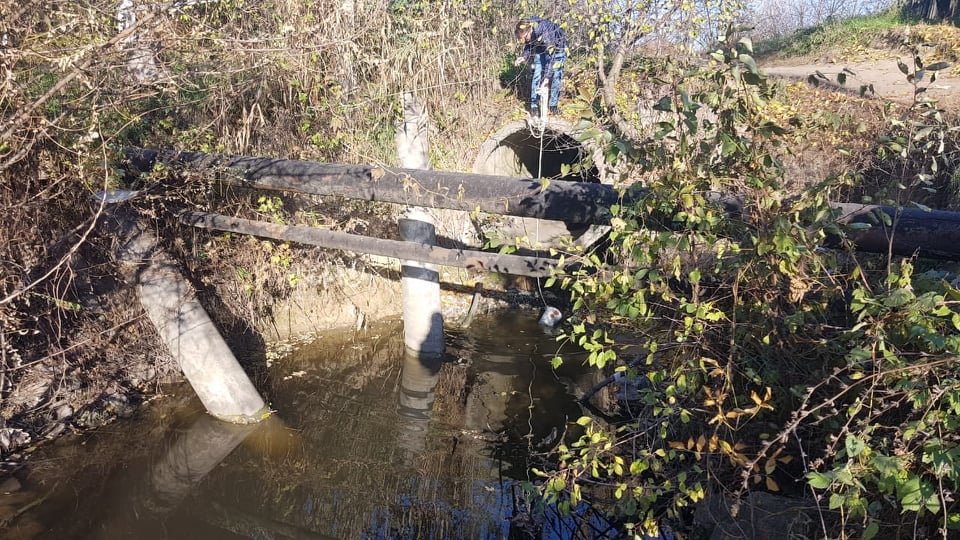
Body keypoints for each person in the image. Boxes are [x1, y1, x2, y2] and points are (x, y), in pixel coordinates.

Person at [513, 17, 567, 116]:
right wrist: (524, 57)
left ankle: (553, 105)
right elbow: (529, 44)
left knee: (556, 76)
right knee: (537, 74)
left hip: (557, 48)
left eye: (524, 38)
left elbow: (551, 57)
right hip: (541, 48)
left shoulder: (544, 30)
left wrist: (546, 78)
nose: (524, 41)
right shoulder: (528, 28)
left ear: (529, 30)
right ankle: (534, 106)